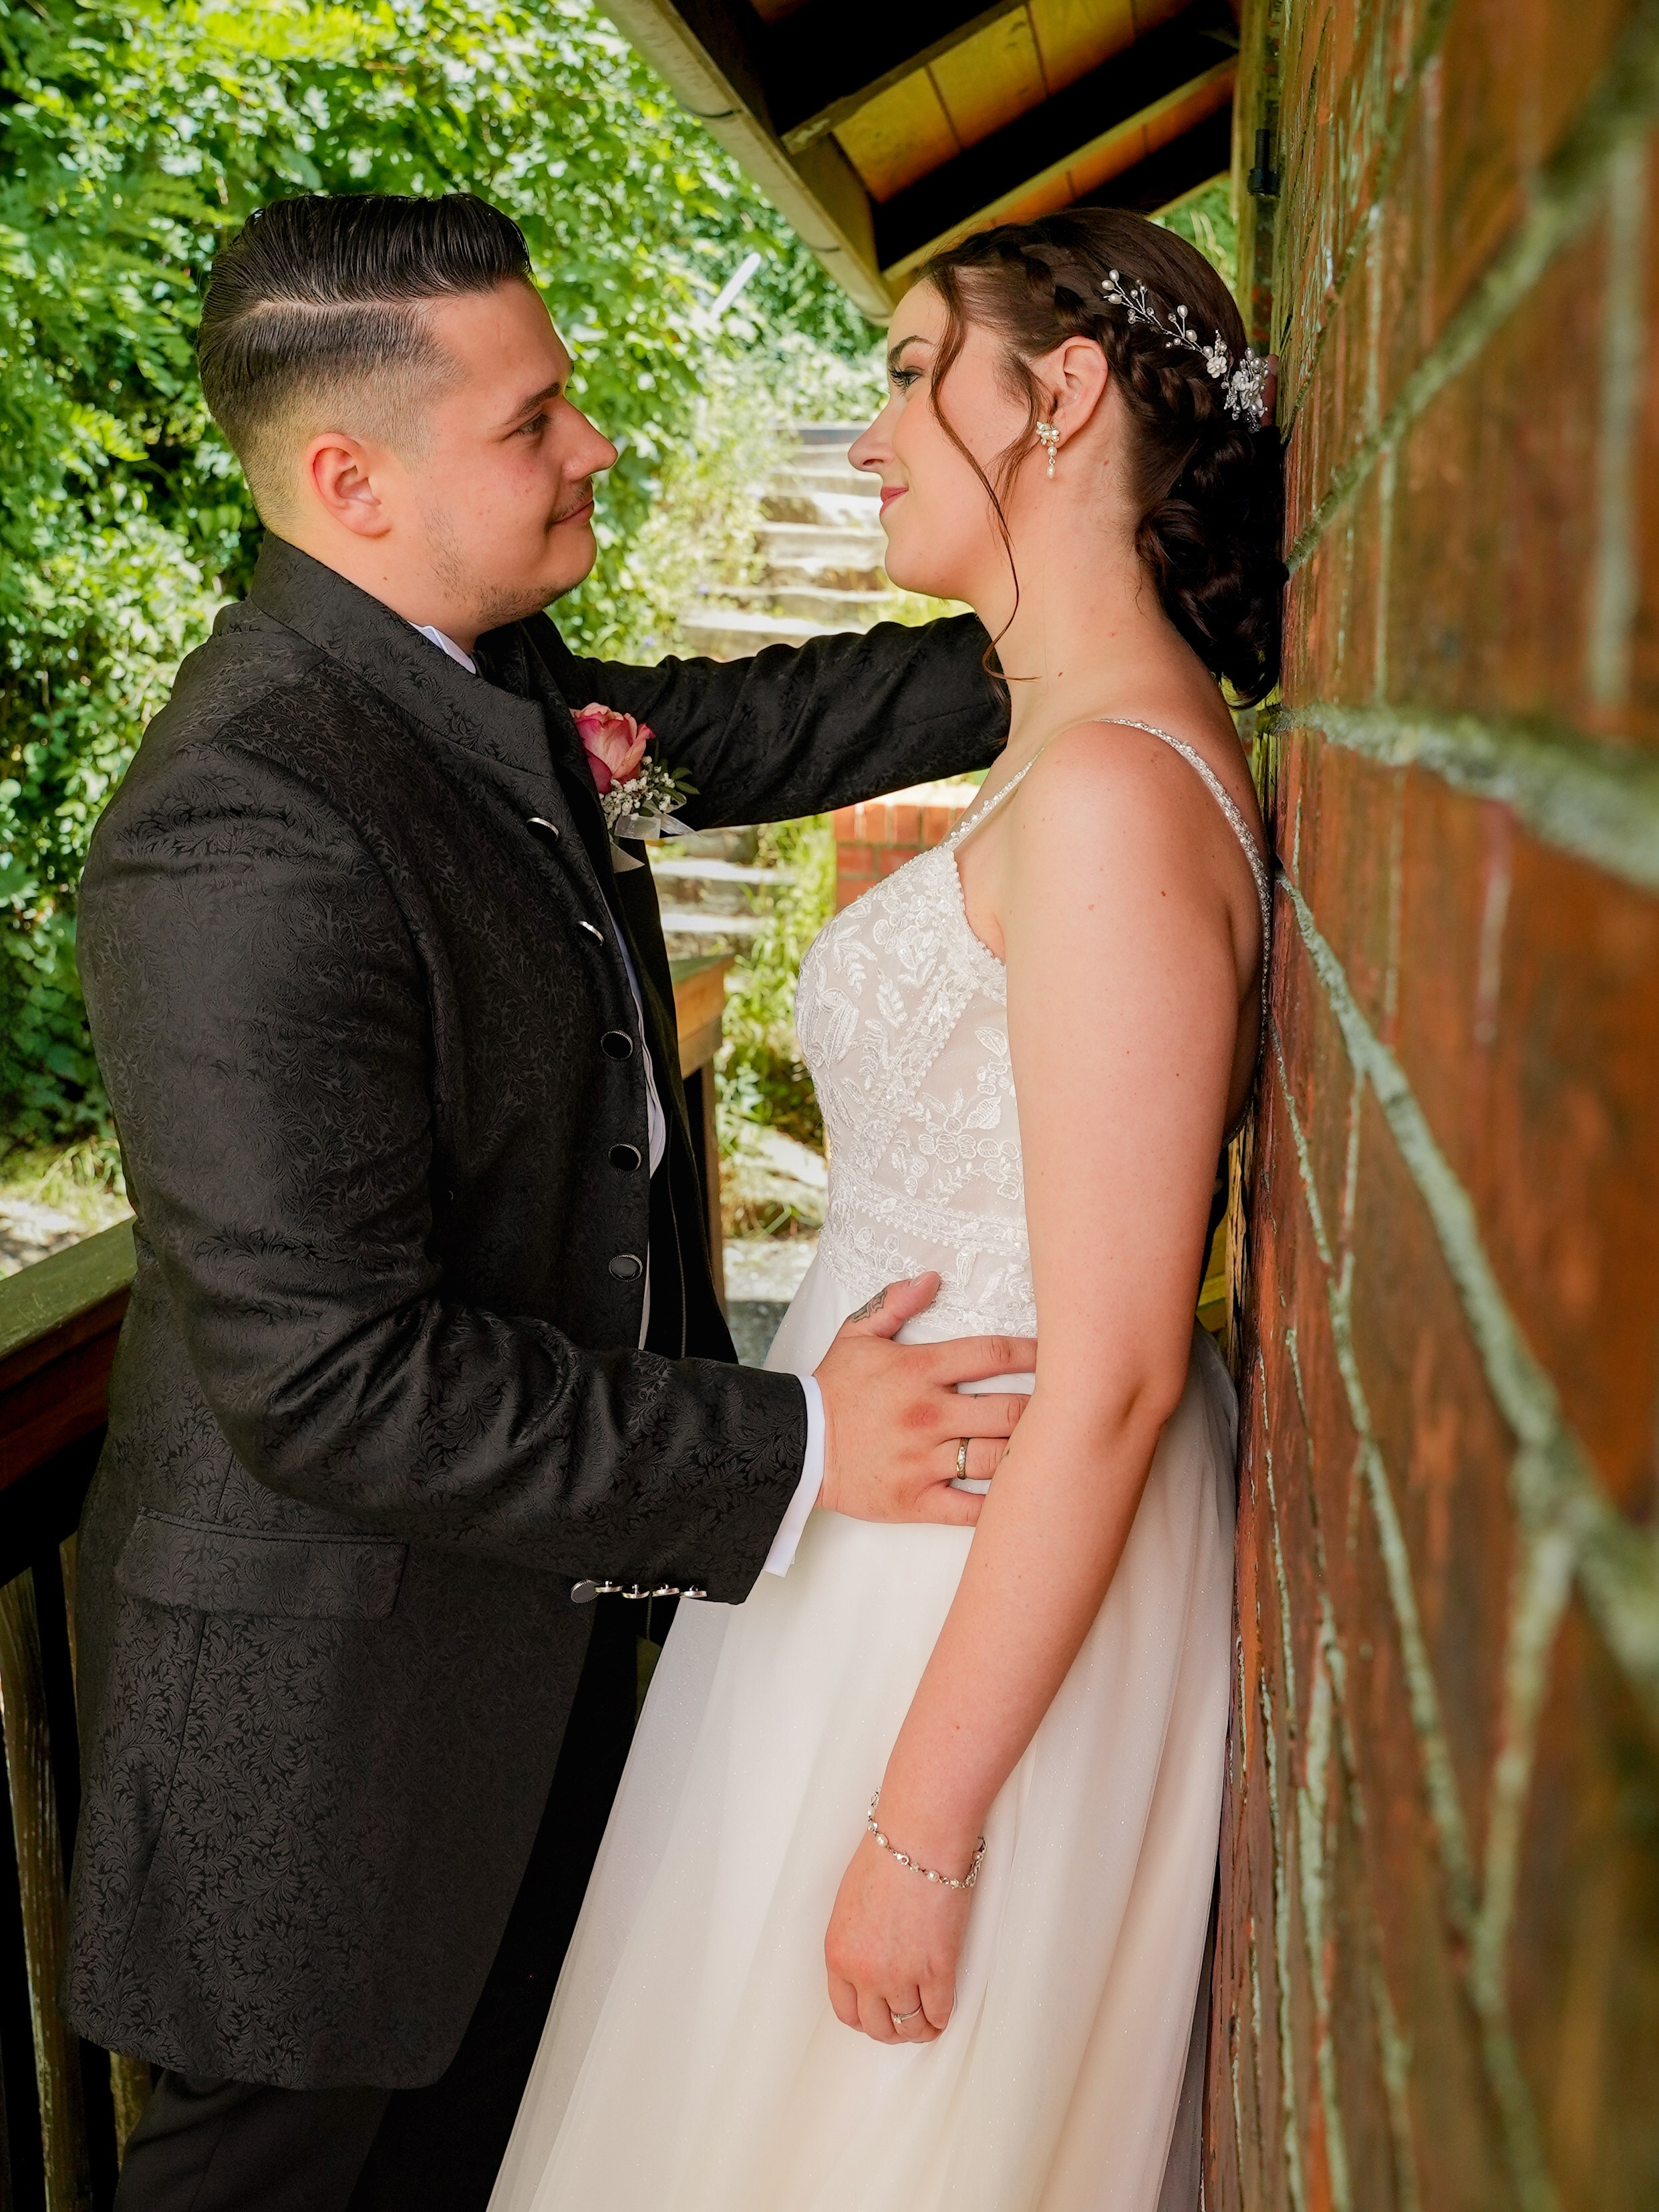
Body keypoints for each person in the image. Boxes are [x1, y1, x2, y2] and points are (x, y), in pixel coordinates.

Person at [64, 191, 1036, 2212]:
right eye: (534, 420)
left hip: (526, 1659)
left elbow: (746, 735)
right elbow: (329, 1380)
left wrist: (1111, 599)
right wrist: (782, 1435)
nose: (589, 444)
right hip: (322, 1747)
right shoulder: (244, 819)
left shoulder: (480, 687)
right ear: (350, 474)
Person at [487, 206, 1284, 2212]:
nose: (870, 435)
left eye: (908, 370)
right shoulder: (1062, 744)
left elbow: (1108, 1369)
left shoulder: (1108, 792)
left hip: (989, 1565)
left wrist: (918, 1830)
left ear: (1063, 398)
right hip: (890, 1535)